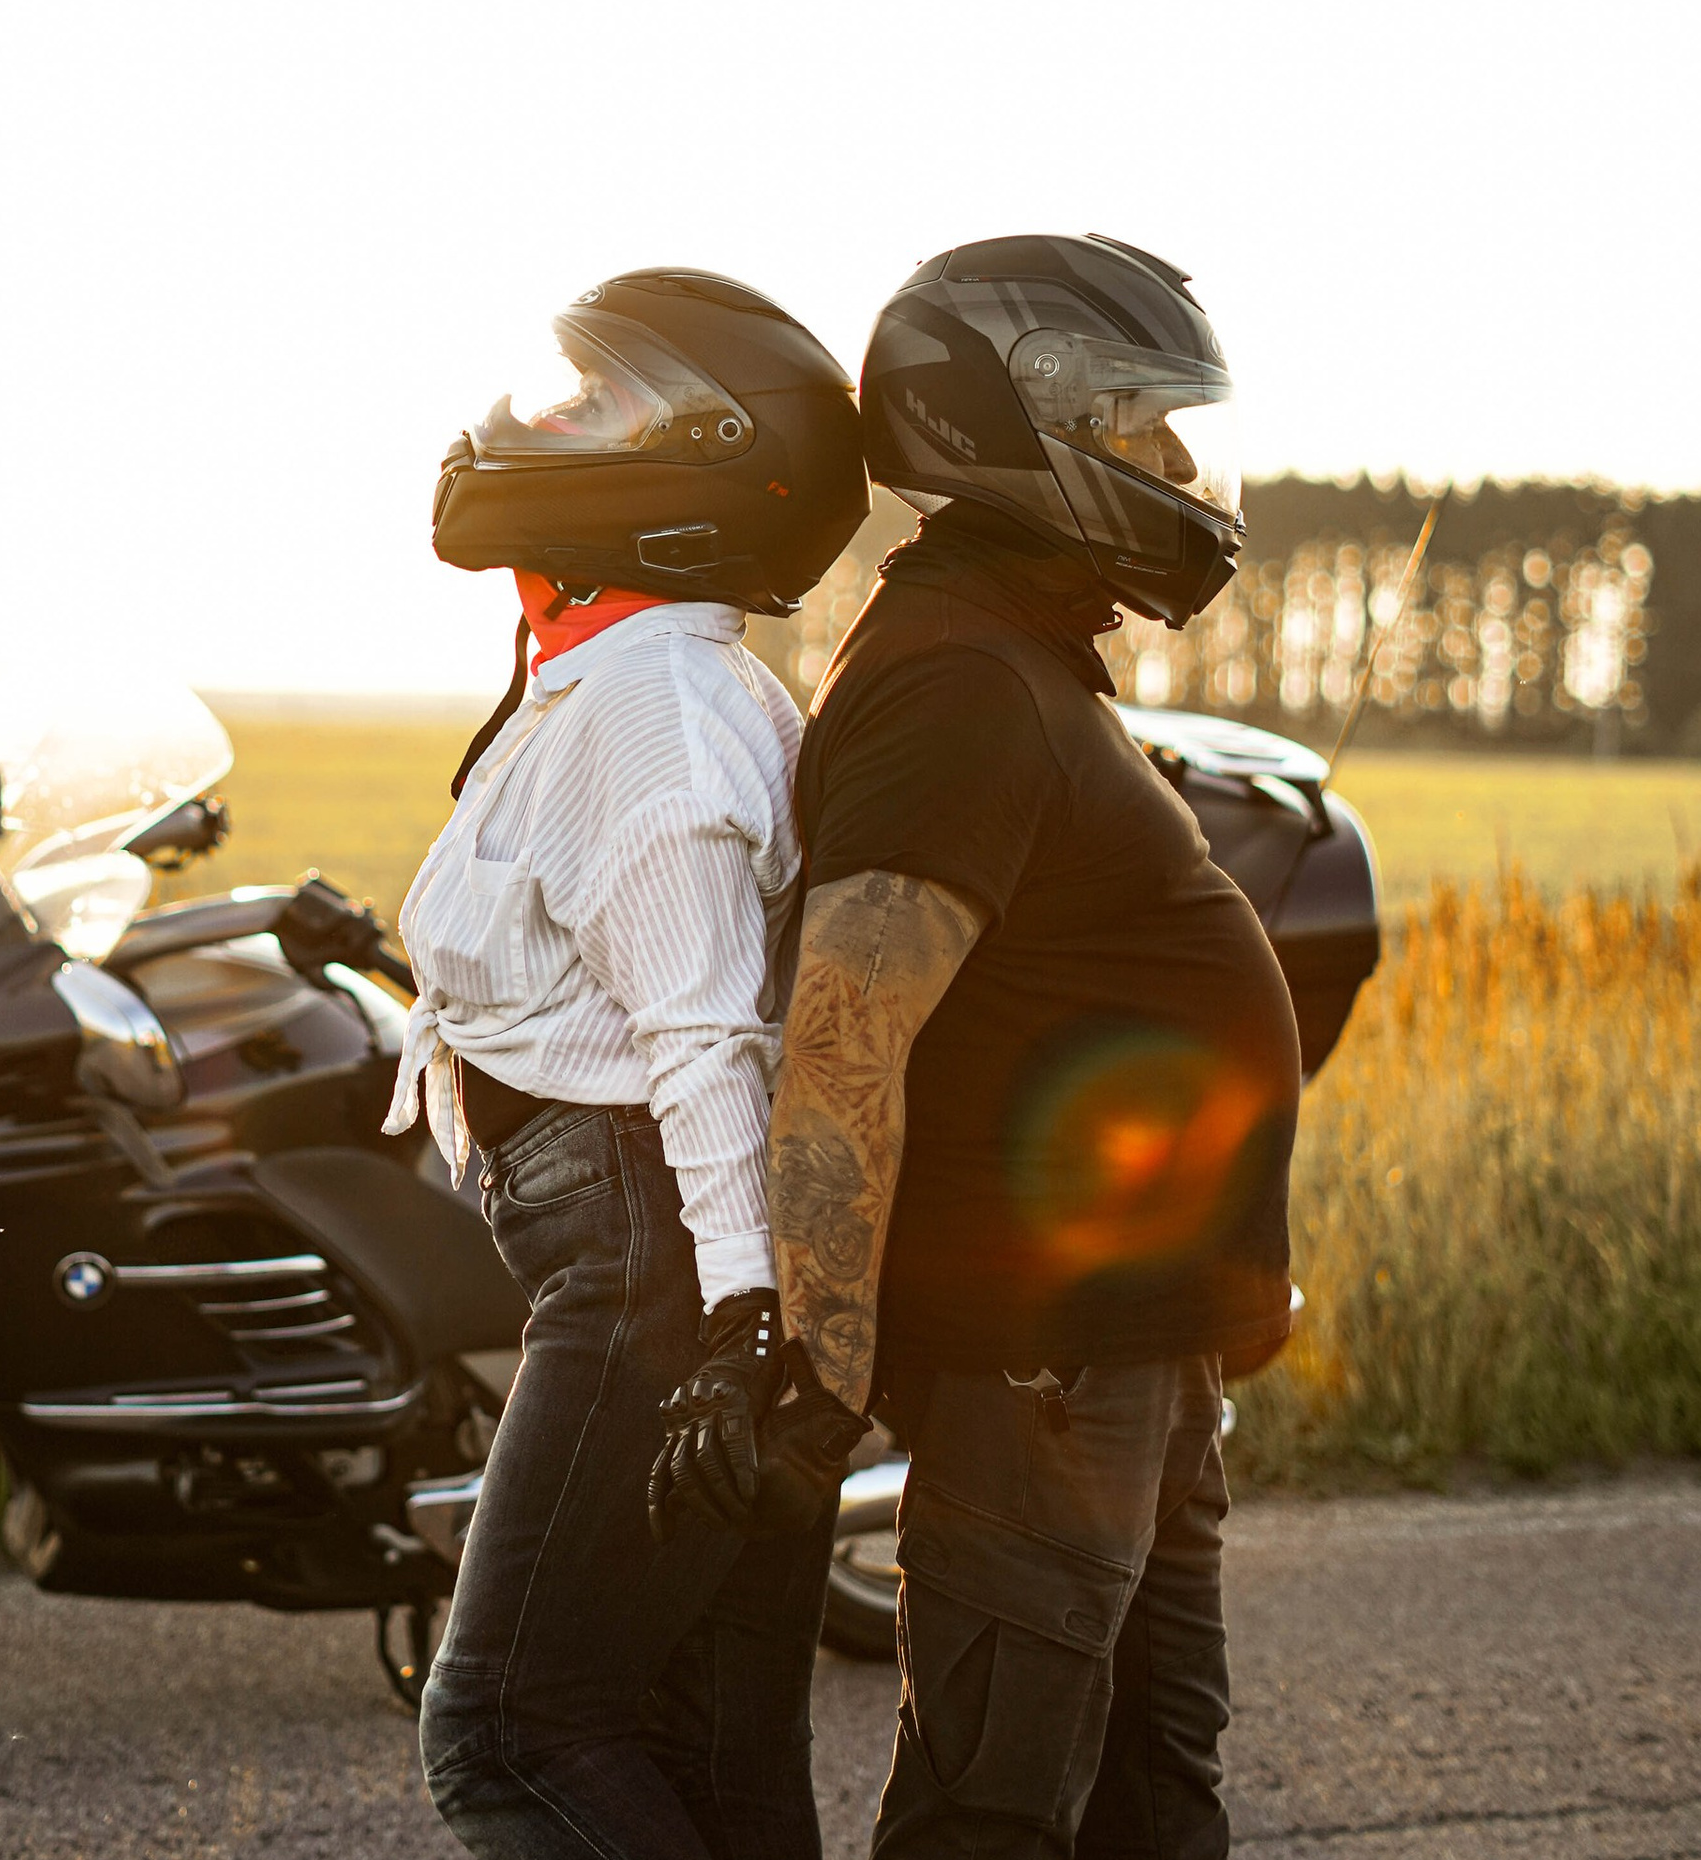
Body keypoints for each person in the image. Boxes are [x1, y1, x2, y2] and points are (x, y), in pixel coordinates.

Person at [651, 234, 1301, 1858]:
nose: (1179, 463)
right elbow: (843, 1044)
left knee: (1153, 1808)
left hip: (1122, 1360)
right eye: (1144, 422)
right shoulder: (956, 684)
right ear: (1025, 423)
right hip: (1046, 1367)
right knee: (991, 1825)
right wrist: (827, 1362)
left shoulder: (1016, 655)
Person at [392, 266, 870, 1860]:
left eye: (587, 401)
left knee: (513, 1736)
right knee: (710, 1753)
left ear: (692, 459)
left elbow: (706, 1044)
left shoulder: (654, 707)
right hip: (666, 1256)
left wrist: (739, 1324)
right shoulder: (619, 681)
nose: (535, 420)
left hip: (659, 1264)